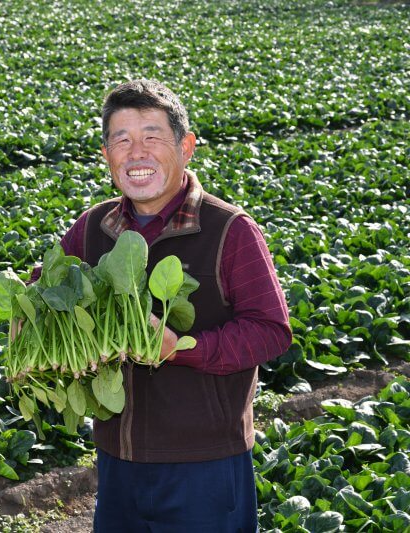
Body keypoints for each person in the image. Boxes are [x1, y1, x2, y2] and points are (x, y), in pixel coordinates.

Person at [58, 80, 292, 531]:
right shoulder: (91, 227)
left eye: (152, 137)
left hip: (205, 465)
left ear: (186, 147)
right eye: (121, 140)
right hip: (117, 460)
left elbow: (270, 331)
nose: (136, 152)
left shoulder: (231, 230)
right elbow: (46, 289)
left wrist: (180, 348)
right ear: (107, 155)